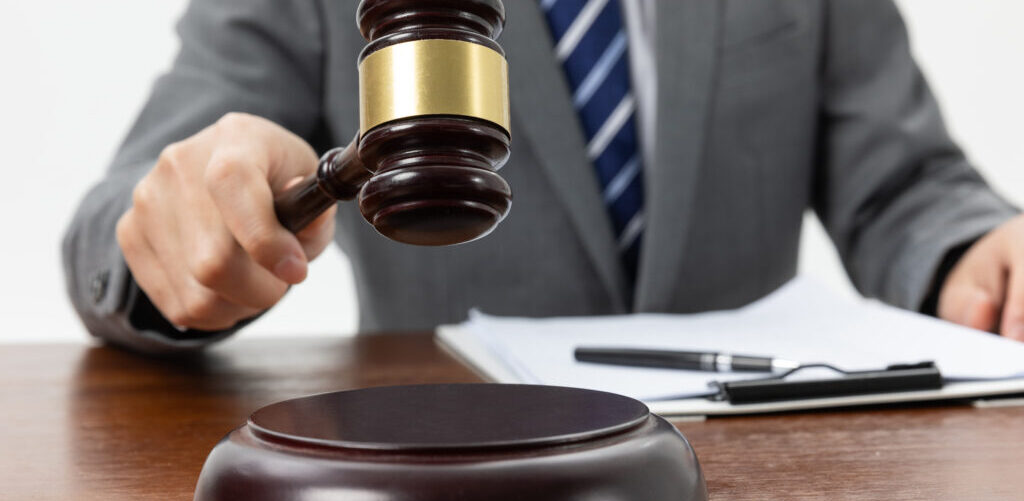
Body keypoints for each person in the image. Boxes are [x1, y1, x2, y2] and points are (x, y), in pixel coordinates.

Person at [63, 0, 1023, 354]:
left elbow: (903, 187)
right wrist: (184, 225)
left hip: (758, 471)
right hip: (453, 470)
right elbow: (130, 211)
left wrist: (980, 251)